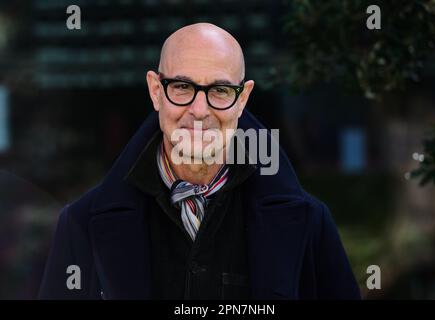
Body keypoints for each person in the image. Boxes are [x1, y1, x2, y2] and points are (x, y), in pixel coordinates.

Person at [39, 23, 360, 299]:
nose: (200, 110)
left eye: (219, 90)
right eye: (182, 87)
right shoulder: (81, 226)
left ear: (242, 99)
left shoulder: (310, 224)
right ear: (155, 90)